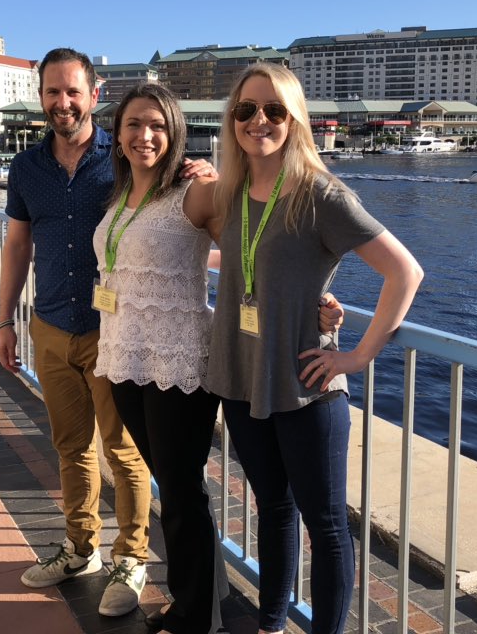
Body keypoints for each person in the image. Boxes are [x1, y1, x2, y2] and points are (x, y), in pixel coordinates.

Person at [92, 83, 343, 634]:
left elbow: (263, 242)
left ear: (175, 133)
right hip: (126, 357)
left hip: (180, 360)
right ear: (117, 134)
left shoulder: (199, 191)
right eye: (134, 124)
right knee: (170, 486)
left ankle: (194, 616)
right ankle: (201, 592)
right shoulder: (119, 198)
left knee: (181, 491)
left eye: (157, 125)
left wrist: (313, 301)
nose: (145, 135)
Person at [203, 63, 423, 634]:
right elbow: (247, 261)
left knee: (325, 526)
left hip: (306, 388)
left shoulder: (321, 194)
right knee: (272, 510)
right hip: (244, 379)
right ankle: (271, 624)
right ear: (232, 120)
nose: (259, 121)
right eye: (246, 109)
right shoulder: (229, 192)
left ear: (295, 120)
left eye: (275, 110)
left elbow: (405, 272)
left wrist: (355, 356)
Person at [0, 48, 212, 617]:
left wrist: (204, 174)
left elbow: (180, 215)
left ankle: (132, 557)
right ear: (40, 97)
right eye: (51, 92)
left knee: (125, 450)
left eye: (73, 92)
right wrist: (5, 321)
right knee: (70, 448)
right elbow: (18, 244)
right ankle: (80, 548)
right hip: (49, 324)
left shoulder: (122, 161)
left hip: (113, 333)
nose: (62, 102)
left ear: (95, 97)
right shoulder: (27, 168)